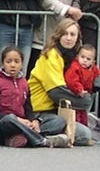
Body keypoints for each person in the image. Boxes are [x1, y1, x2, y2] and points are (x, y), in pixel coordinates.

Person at [27, 16, 96, 145]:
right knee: (63, 124)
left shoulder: (73, 56)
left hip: (58, 110)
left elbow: (92, 70)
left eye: (72, 34)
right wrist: (84, 102)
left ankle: (49, 138)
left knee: (85, 134)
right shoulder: (51, 55)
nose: (69, 38)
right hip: (40, 110)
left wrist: (97, 80)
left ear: (77, 38)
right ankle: (31, 134)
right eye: (65, 34)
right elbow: (56, 92)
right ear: (58, 35)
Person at [0, 44, 58, 146]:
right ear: (2, 63)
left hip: (23, 122)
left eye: (17, 61)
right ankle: (42, 140)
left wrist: (33, 121)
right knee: (10, 120)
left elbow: (28, 108)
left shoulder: (24, 82)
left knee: (57, 120)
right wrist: (18, 120)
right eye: (8, 61)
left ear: (22, 64)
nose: (13, 65)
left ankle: (20, 137)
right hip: (3, 123)